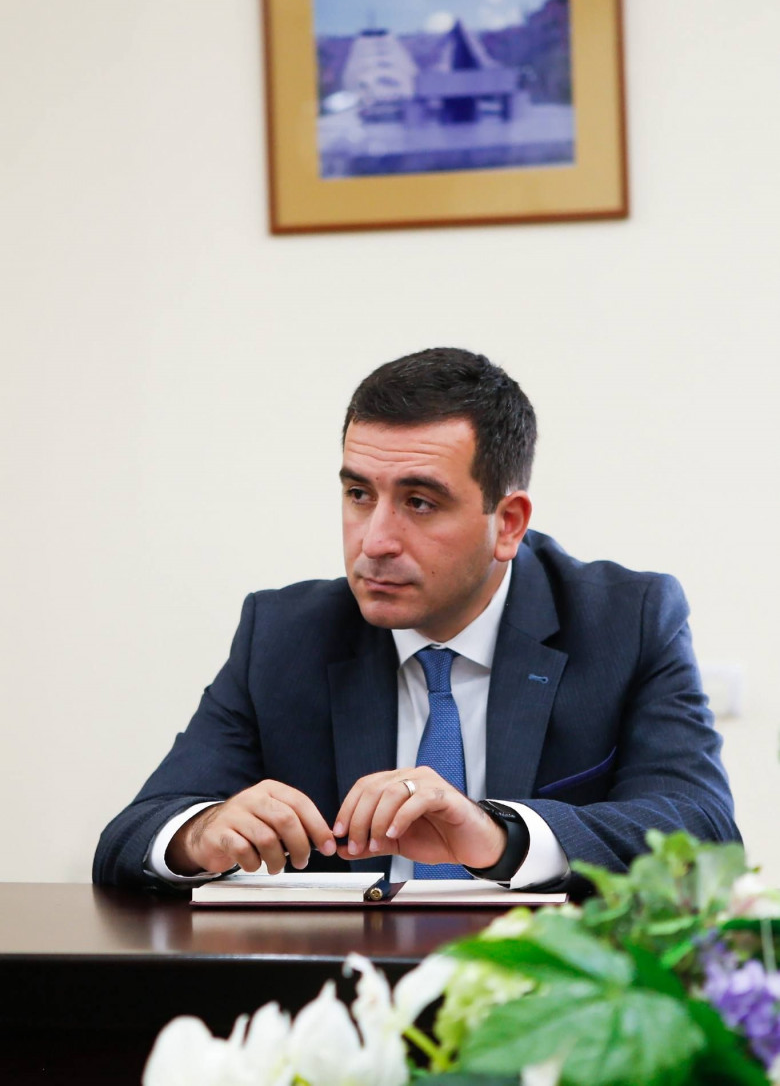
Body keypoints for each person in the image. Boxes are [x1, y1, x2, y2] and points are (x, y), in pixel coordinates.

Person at [93, 348, 740, 892]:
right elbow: (132, 836)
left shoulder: (625, 620)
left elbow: (705, 836)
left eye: (420, 502)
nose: (374, 540)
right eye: (358, 494)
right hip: (340, 987)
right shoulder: (285, 634)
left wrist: (500, 836)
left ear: (508, 523)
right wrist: (199, 833)